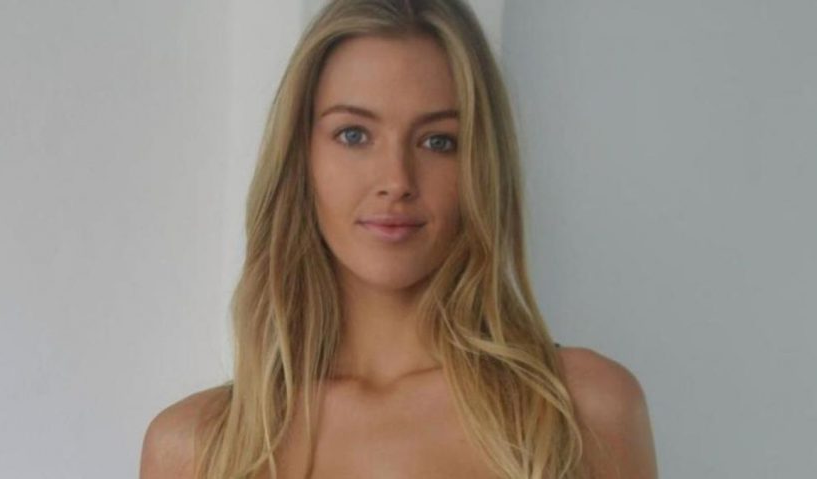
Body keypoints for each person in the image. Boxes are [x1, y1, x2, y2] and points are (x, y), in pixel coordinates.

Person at [139, 0, 658, 478]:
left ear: (480, 165)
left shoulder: (581, 409)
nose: (397, 179)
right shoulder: (195, 448)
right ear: (300, 158)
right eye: (353, 135)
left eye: (438, 141)